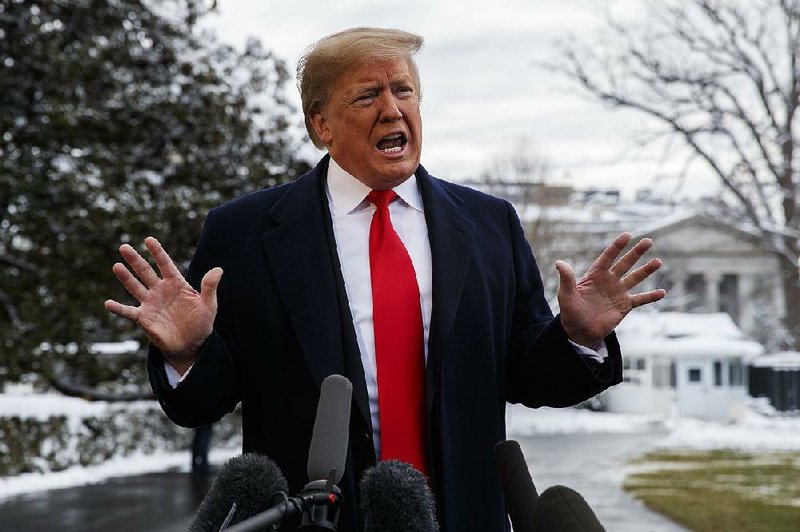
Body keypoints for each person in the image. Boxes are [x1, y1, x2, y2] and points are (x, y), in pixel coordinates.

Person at [104, 27, 666, 532]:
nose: (393, 110)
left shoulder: (490, 224)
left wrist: (578, 337)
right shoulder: (244, 232)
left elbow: (529, 373)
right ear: (321, 125)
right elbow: (207, 401)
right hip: (313, 519)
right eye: (368, 96)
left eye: (404, 90)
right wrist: (190, 353)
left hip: (462, 516)